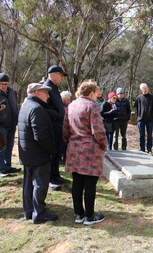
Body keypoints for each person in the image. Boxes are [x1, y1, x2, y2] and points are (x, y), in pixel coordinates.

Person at [63, 80, 107, 225]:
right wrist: (104, 144)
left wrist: (70, 143)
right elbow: (98, 131)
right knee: (89, 184)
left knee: (77, 183)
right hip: (90, 151)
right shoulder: (91, 106)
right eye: (96, 92)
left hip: (74, 149)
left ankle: (79, 214)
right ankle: (89, 216)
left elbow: (65, 129)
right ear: (91, 92)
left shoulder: (71, 105)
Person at [18, 83, 58, 224]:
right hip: (38, 155)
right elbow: (40, 136)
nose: (48, 96)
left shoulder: (25, 106)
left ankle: (29, 211)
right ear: (36, 93)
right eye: (45, 93)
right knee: (40, 185)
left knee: (29, 184)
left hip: (28, 154)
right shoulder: (37, 109)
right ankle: (39, 214)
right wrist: (52, 150)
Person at [44, 65, 70, 189]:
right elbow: (44, 108)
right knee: (51, 152)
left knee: (57, 151)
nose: (61, 79)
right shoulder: (46, 88)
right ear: (54, 74)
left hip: (58, 125)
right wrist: (58, 114)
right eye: (60, 75)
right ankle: (50, 178)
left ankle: (55, 175)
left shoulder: (54, 87)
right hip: (52, 125)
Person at [0, 73, 21, 176]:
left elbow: (14, 106)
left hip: (12, 124)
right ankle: (1, 168)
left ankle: (7, 166)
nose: (4, 86)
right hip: (1, 125)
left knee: (10, 146)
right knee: (2, 147)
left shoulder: (11, 91)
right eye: (2, 84)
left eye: (6, 84)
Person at [133, 83, 153, 153]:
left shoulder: (152, 98)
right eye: (144, 88)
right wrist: (138, 114)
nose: (145, 89)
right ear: (141, 90)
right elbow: (135, 107)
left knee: (149, 134)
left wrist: (151, 114)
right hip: (141, 119)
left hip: (149, 119)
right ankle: (142, 148)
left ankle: (149, 148)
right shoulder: (139, 98)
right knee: (141, 134)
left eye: (146, 88)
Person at [60, 90, 72, 163]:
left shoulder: (69, 106)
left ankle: (65, 157)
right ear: (63, 99)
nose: (69, 101)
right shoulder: (61, 106)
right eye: (68, 99)